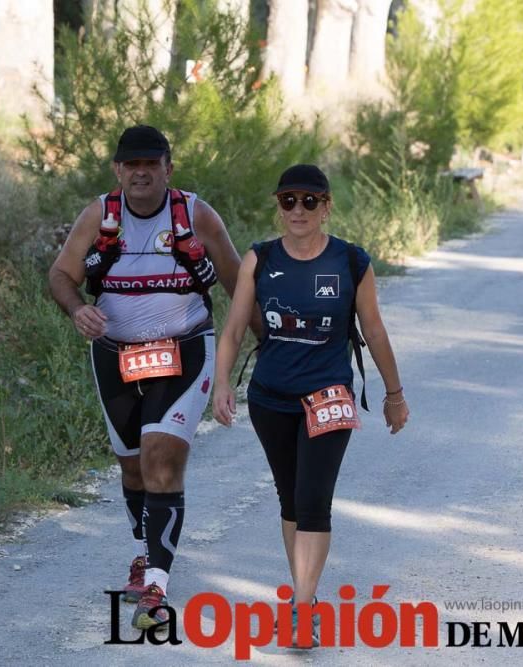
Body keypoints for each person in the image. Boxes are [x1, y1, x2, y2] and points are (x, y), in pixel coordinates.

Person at [48, 125, 242, 629]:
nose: (140, 172)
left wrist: (276, 345)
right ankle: (144, 553)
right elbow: (61, 274)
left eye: (150, 163)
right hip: (115, 356)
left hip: (185, 350)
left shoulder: (196, 216)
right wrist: (76, 310)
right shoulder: (99, 216)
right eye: (130, 164)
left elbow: (238, 284)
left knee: (160, 458)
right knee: (133, 468)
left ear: (167, 168)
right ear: (117, 170)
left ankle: (155, 586)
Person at [212, 164, 409, 647]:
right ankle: (307, 597)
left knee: (313, 501)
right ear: (278, 206)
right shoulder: (258, 259)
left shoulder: (351, 262)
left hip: (329, 398)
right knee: (290, 500)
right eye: (288, 201)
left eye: (309, 201)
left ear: (326, 206)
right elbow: (235, 327)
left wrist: (394, 393)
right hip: (270, 400)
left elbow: (374, 330)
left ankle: (301, 609)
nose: (298, 210)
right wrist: (220, 384)